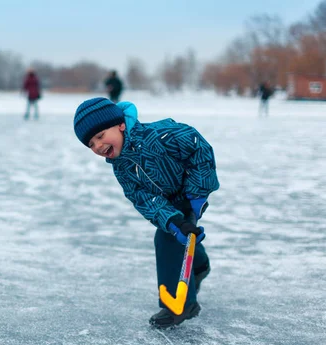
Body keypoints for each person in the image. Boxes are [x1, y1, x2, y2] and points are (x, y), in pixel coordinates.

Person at [73, 97, 220, 329]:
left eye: (100, 136)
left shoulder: (160, 135)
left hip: (191, 189)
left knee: (166, 240)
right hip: (167, 203)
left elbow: (198, 147)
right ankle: (199, 264)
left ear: (120, 124)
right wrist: (171, 220)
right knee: (175, 233)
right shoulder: (121, 167)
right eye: (91, 144)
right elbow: (142, 197)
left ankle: (181, 305)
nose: (98, 146)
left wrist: (196, 196)